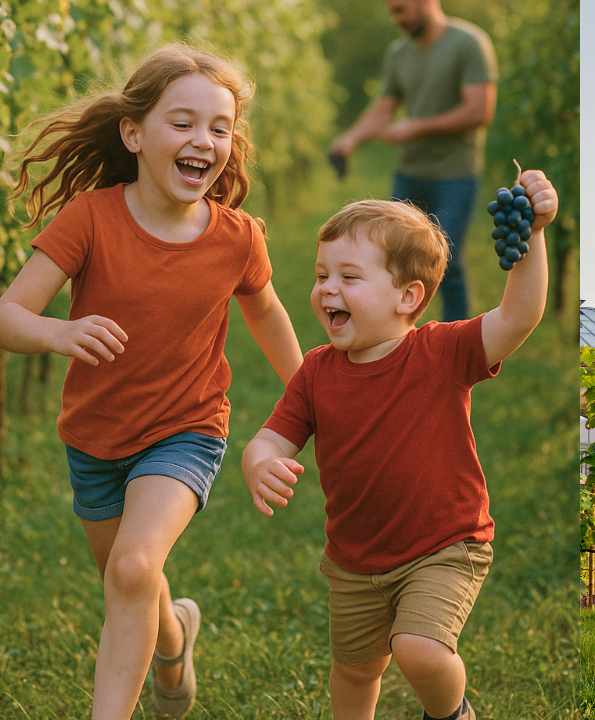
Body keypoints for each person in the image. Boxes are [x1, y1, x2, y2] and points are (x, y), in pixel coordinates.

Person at [0, 44, 303, 718]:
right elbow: (9, 315)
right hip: (94, 437)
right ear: (133, 134)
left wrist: (316, 396)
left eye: (220, 128)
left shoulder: (236, 238)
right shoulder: (91, 220)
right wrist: (58, 333)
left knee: (134, 568)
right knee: (130, 578)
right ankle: (174, 640)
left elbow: (270, 317)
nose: (205, 141)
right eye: (184, 123)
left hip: (187, 430)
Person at [240, 170, 557, 720]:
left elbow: (519, 316)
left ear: (408, 296)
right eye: (322, 275)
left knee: (419, 649)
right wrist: (261, 462)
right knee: (355, 669)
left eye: (349, 277)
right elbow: (271, 438)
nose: (327, 290)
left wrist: (531, 238)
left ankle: (453, 715)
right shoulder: (316, 372)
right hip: (355, 559)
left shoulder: (442, 351)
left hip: (445, 544)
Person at [329, 0, 498, 323]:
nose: (397, 19)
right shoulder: (399, 54)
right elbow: (384, 108)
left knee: (447, 263)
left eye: (401, 10)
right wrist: (350, 140)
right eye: (392, 11)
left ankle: (455, 338)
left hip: (454, 173)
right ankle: (391, 335)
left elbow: (480, 110)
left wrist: (415, 127)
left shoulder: (468, 43)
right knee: (394, 258)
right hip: (409, 172)